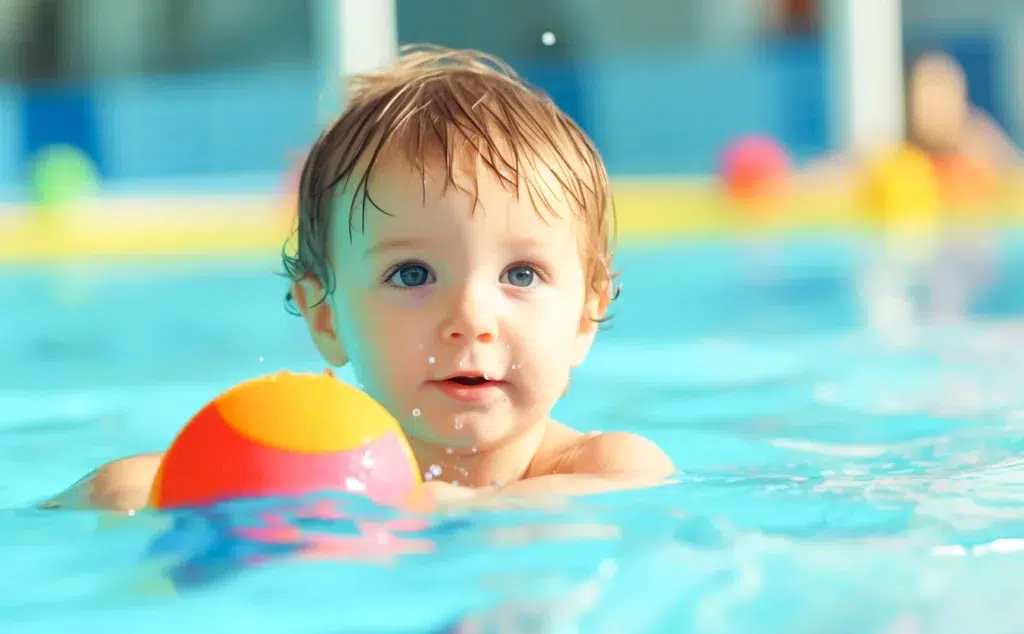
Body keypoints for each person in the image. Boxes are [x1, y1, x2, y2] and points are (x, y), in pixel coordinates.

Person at [44, 47, 674, 513]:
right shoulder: (302, 465)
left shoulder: (610, 469)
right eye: (412, 273)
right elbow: (138, 490)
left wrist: (427, 509)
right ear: (324, 315)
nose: (471, 318)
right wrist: (137, 490)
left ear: (586, 317)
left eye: (521, 273)